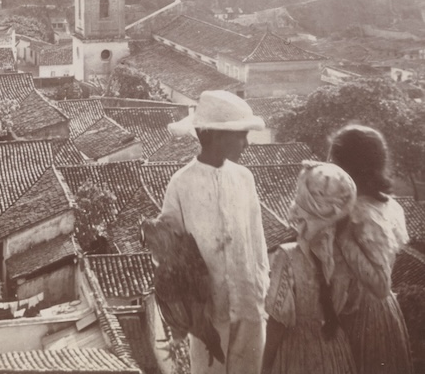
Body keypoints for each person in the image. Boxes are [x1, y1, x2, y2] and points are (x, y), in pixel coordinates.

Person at [160, 90, 269, 374]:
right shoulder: (181, 184)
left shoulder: (245, 179)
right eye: (240, 135)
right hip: (207, 313)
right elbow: (169, 256)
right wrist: (184, 317)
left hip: (249, 306)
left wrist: (260, 290)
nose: (245, 143)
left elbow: (257, 241)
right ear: (214, 135)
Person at [329, 125, 413, 374]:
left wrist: (342, 236)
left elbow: (379, 284)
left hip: (361, 316)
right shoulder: (388, 206)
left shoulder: (358, 214)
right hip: (377, 313)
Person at [262, 162, 358, 374]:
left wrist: (265, 367)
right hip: (335, 352)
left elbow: (277, 323)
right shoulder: (346, 257)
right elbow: (351, 309)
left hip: (296, 354)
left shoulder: (287, 256)